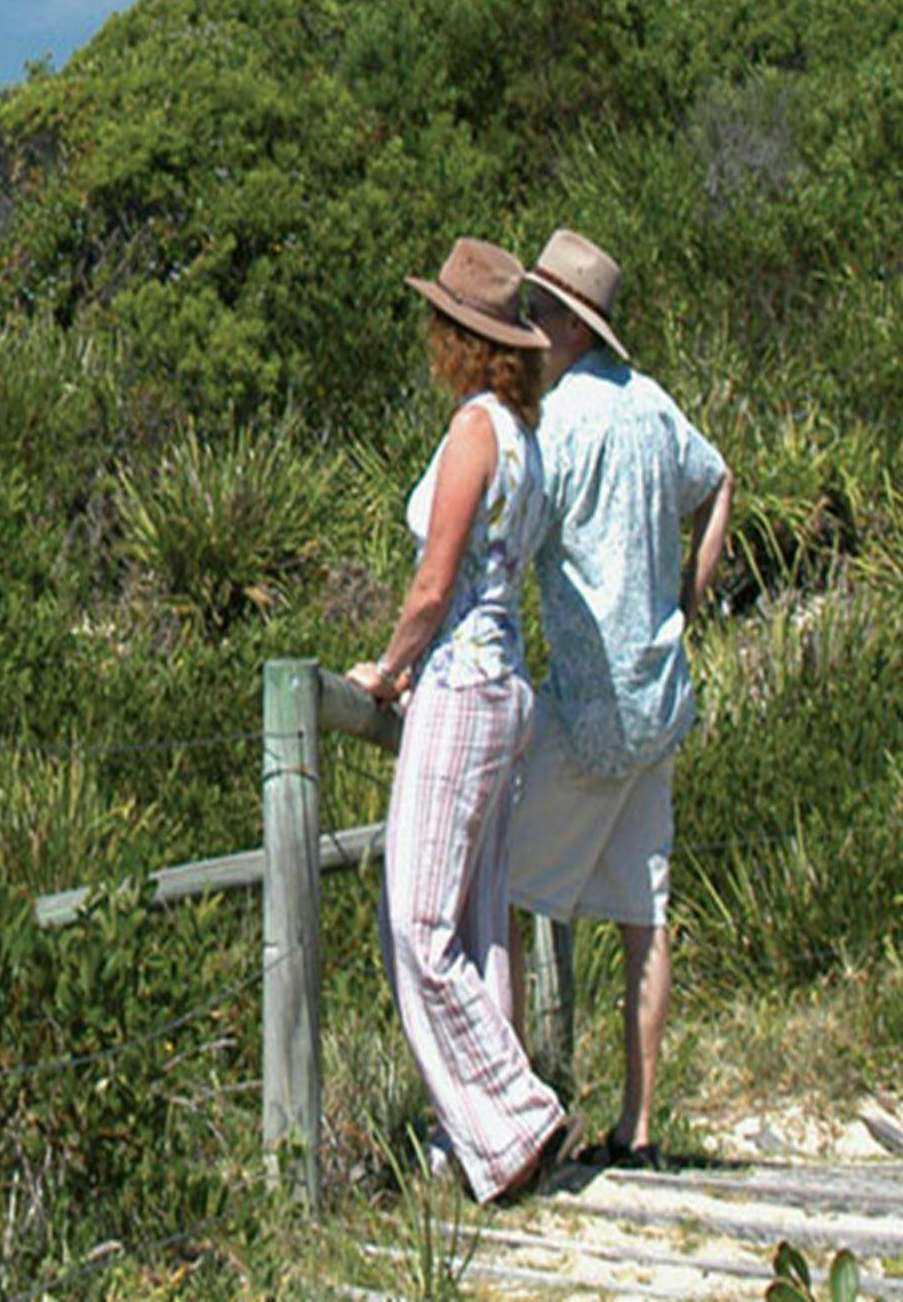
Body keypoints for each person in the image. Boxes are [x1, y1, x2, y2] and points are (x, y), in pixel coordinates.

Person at [347, 237, 574, 1203]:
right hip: (509, 682)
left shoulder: (476, 432)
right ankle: (482, 1136)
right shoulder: (525, 435)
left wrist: (390, 666)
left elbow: (434, 579)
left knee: (418, 919)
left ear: (461, 338)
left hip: (462, 682)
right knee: (481, 920)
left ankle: (513, 1111)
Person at [508, 229, 734, 1169]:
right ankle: (638, 1126)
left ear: (564, 324)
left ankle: (516, 1115)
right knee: (647, 913)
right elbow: (717, 481)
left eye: (534, 311)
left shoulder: (560, 426)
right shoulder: (653, 407)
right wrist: (692, 595)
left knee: (505, 896)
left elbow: (511, 536)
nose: (526, 327)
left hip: (592, 707)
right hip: (660, 698)